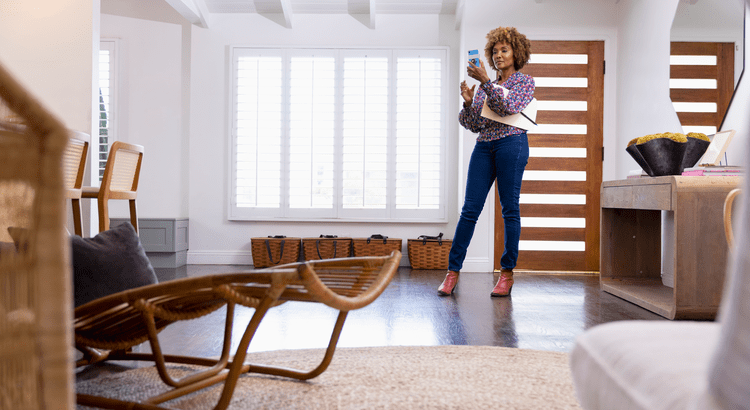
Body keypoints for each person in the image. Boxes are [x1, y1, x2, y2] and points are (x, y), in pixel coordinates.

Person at [437, 26, 534, 297]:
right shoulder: (482, 89)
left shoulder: (523, 82)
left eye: (504, 50)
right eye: (495, 51)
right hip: (484, 147)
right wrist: (469, 103)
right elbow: (474, 125)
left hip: (511, 145)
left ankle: (506, 274)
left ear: (517, 53)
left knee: (509, 210)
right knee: (469, 210)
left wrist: (486, 82)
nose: (499, 55)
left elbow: (507, 108)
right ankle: (452, 272)